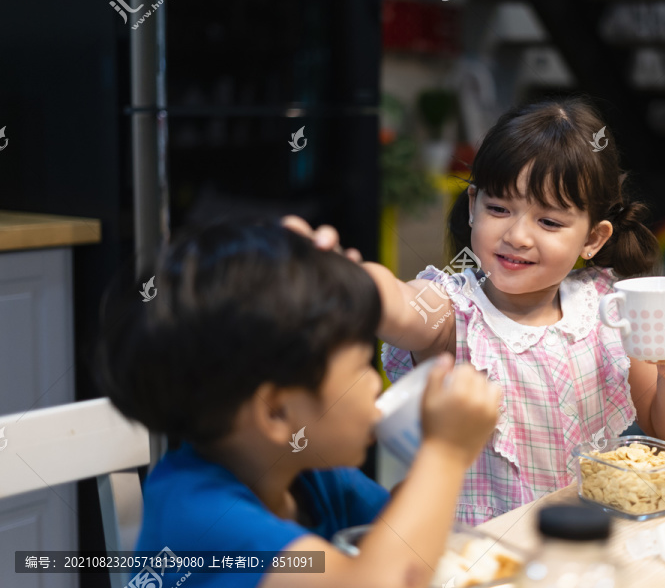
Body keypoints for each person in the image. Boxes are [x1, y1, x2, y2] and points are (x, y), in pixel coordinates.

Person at [95, 219, 500, 588]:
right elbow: (380, 581)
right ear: (275, 411)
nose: (375, 384)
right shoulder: (201, 514)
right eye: (361, 366)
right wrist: (444, 453)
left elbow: (394, 540)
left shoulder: (309, 475)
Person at [367, 97, 665, 525]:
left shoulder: (607, 307)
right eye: (498, 209)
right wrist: (359, 282)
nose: (517, 235)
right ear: (472, 205)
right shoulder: (454, 309)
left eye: (549, 222)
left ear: (594, 238)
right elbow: (401, 309)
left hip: (582, 541)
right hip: (479, 555)